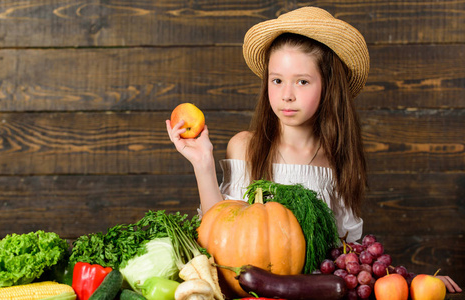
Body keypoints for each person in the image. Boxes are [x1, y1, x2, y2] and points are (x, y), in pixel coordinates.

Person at [166, 6, 462, 293]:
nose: (287, 95)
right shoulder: (246, 147)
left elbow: (352, 259)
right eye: (277, 80)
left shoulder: (337, 162)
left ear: (328, 86)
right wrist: (202, 163)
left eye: (303, 82)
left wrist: (408, 282)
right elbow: (218, 232)